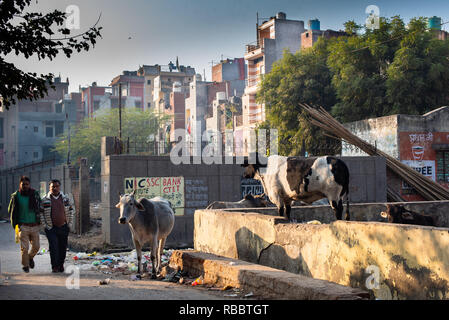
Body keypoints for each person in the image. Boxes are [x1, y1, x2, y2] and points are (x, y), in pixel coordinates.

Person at [8, 176, 41, 273]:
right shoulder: (16, 196)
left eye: (27, 184)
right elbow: (11, 209)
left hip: (34, 226)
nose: (25, 186)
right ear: (20, 184)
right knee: (24, 248)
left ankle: (30, 258)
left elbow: (40, 205)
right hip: (23, 226)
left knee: (36, 247)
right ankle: (25, 265)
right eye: (23, 184)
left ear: (29, 185)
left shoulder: (35, 194)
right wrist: (16, 223)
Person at [40, 179, 74, 273]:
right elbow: (41, 213)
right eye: (52, 187)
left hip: (63, 227)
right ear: (49, 188)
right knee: (54, 247)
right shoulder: (45, 200)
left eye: (56, 186)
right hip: (51, 228)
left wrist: (69, 224)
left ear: (59, 187)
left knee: (62, 247)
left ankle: (61, 265)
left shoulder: (65, 198)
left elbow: (71, 210)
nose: (55, 188)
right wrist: (46, 225)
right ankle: (54, 266)